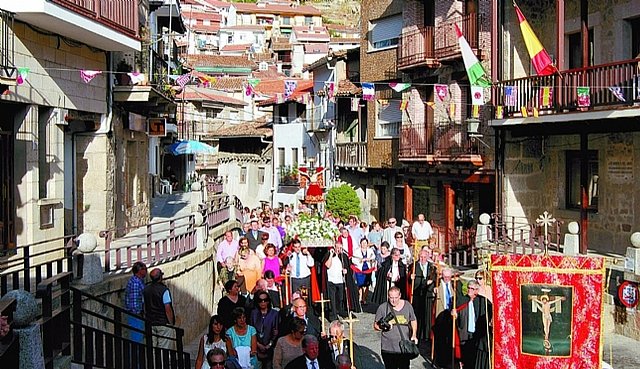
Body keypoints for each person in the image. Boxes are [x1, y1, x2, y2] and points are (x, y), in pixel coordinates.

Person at [374, 286, 418, 369]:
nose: (394, 300)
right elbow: (375, 326)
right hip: (388, 348)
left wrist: (414, 335)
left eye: (396, 298)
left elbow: (413, 320)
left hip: (403, 348)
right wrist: (383, 327)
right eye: (391, 298)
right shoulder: (383, 308)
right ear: (388, 296)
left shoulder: (407, 305)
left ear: (400, 295)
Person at [452, 280, 492, 369]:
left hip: (476, 333)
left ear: (476, 290)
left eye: (472, 289)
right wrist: (454, 313)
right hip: (464, 332)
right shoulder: (462, 299)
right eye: (468, 288)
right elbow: (456, 310)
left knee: (473, 357)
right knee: (464, 355)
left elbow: (490, 311)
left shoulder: (482, 301)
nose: (469, 290)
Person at [143, 268, 176, 349]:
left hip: (150, 322)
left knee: (152, 349)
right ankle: (162, 362)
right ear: (160, 277)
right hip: (163, 322)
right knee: (164, 348)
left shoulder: (146, 289)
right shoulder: (164, 290)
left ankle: (154, 362)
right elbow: (167, 308)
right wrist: (171, 323)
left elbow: (144, 306)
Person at [410, 249, 436, 341]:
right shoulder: (414, 266)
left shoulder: (431, 267)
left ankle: (427, 335)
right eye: (421, 257)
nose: (423, 259)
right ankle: (416, 333)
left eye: (425, 257)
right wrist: (411, 278)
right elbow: (412, 282)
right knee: (417, 314)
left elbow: (434, 279)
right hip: (417, 294)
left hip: (428, 294)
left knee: (427, 315)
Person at [250, 291, 279, 369]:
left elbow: (276, 332)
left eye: (265, 300)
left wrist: (269, 345)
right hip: (256, 348)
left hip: (270, 349)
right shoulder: (253, 313)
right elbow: (251, 330)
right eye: (260, 300)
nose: (263, 302)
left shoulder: (275, 314)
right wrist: (258, 345)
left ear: (268, 301)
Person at [124, 261, 147, 343]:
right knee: (137, 338)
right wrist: (139, 313)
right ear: (140, 271)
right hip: (135, 315)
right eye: (144, 269)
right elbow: (134, 302)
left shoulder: (137, 281)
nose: (146, 271)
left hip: (136, 314)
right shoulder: (136, 283)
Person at [352, 238, 376, 305]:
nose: (364, 244)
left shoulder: (370, 250)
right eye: (363, 243)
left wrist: (368, 259)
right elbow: (353, 260)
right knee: (360, 284)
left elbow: (373, 257)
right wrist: (360, 261)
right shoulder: (357, 251)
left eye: (365, 243)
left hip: (367, 269)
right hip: (359, 269)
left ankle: (364, 298)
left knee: (366, 284)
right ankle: (360, 297)